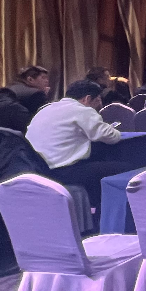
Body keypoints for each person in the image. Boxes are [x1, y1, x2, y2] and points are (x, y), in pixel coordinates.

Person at [26, 80, 132, 208]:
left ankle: (92, 207)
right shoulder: (81, 110)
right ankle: (106, 212)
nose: (99, 105)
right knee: (126, 169)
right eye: (97, 100)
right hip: (62, 171)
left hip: (37, 169)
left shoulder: (46, 109)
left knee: (96, 161)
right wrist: (113, 129)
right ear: (87, 99)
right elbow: (111, 136)